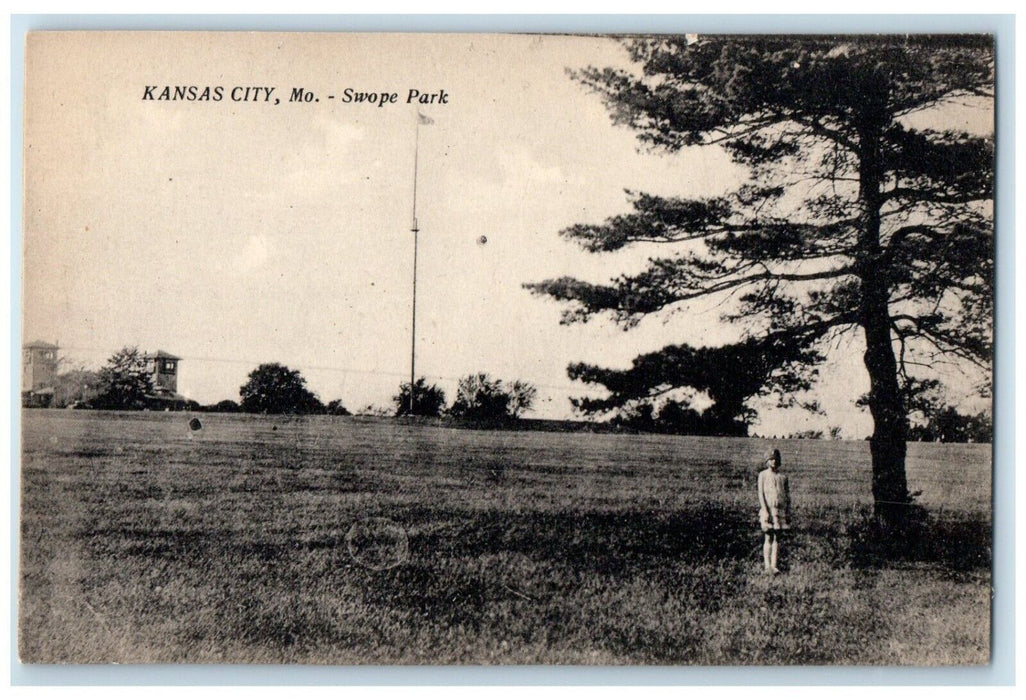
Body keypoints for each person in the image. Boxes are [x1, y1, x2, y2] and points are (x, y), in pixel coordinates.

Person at [758, 448, 791, 574]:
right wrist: (765, 510)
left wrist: (788, 512)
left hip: (780, 511)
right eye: (771, 459)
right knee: (768, 536)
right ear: (767, 461)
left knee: (777, 537)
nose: (773, 462)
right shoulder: (763, 475)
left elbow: (787, 496)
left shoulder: (783, 477)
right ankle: (767, 566)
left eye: (776, 459)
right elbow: (761, 494)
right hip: (768, 510)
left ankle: (774, 565)